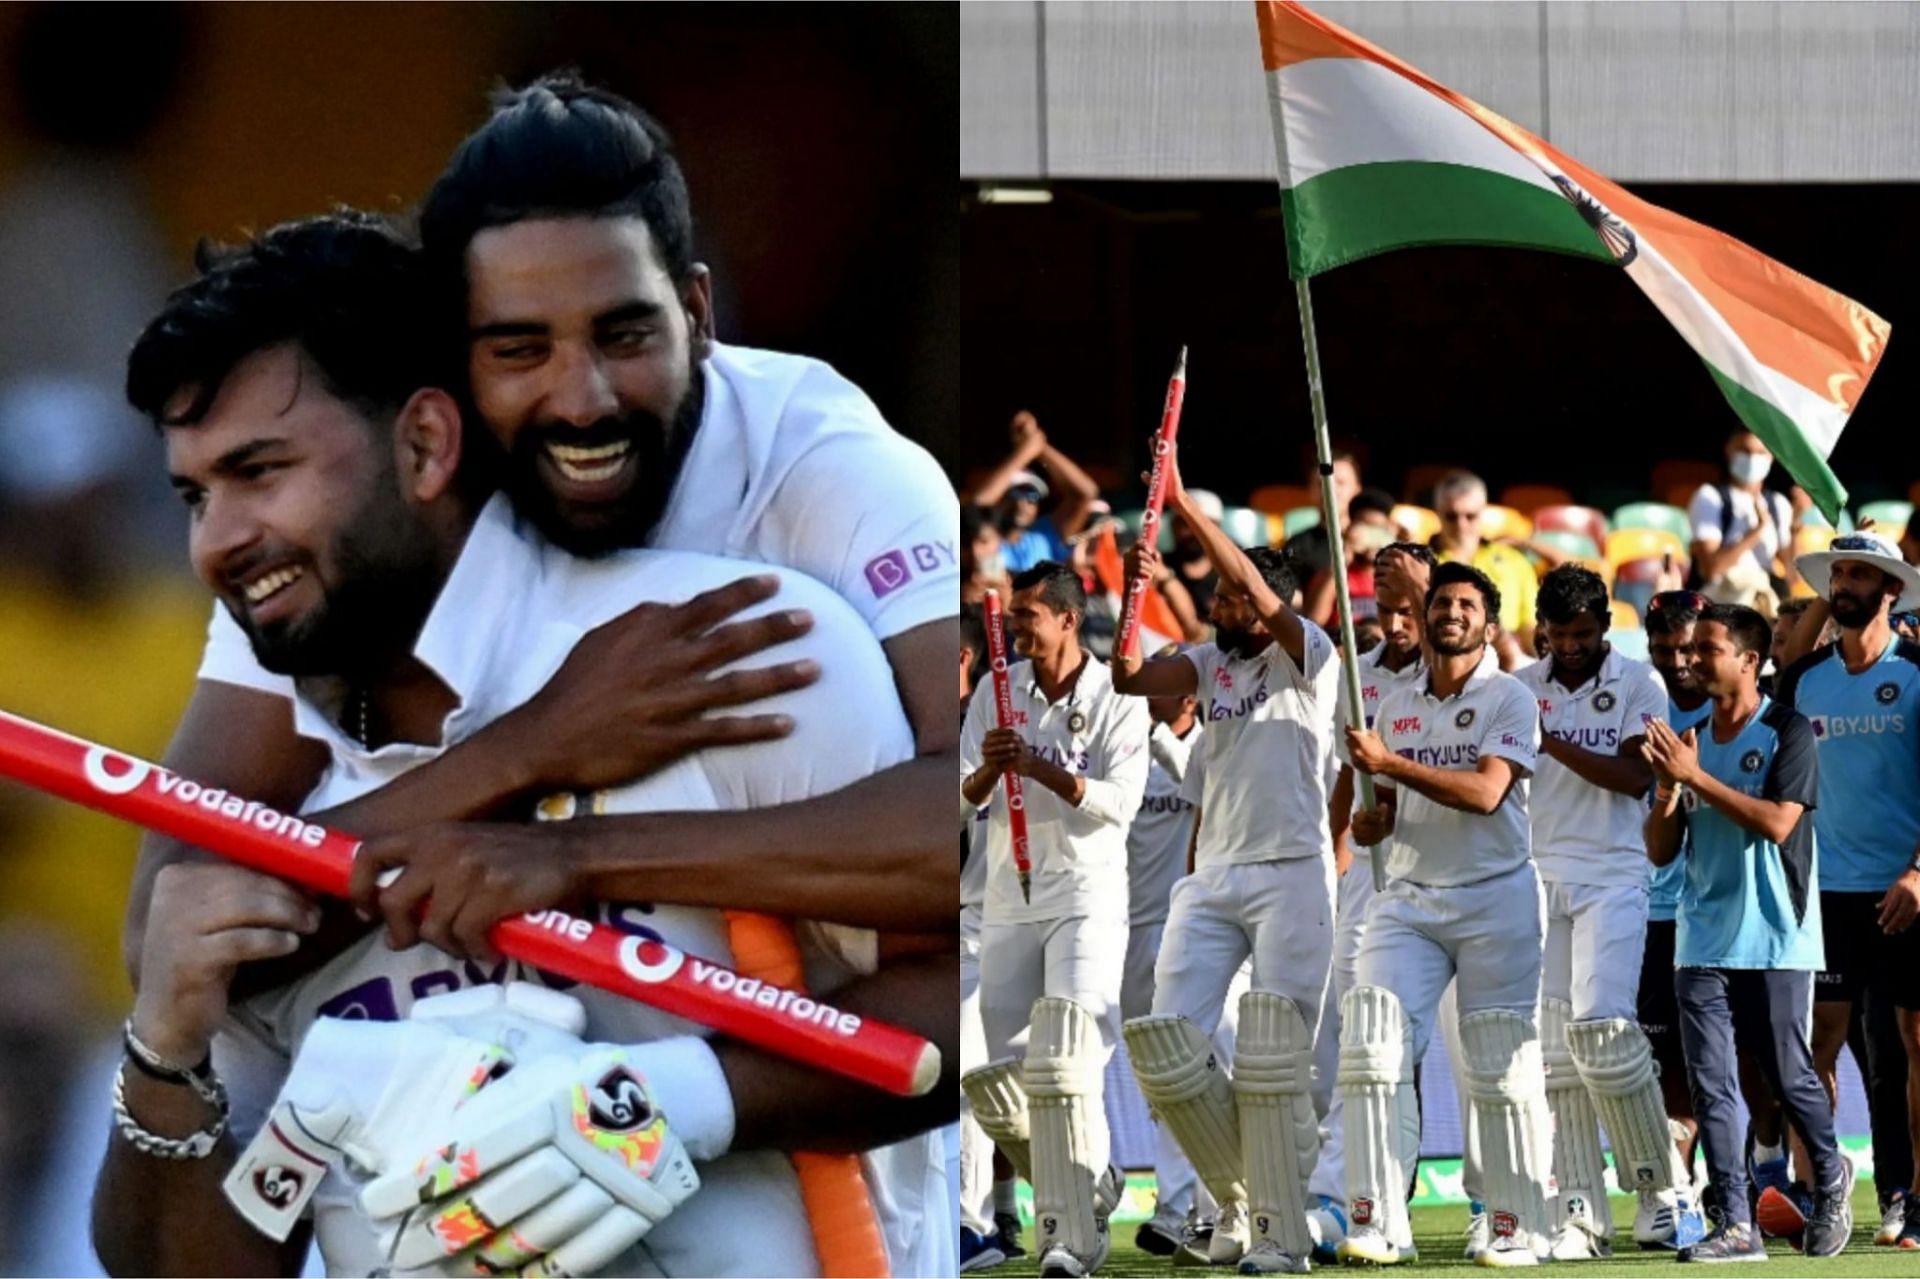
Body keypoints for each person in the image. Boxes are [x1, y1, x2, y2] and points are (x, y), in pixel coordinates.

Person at [94, 216, 955, 1277]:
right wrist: (163, 1048)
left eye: (260, 471)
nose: (215, 541)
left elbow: (960, 1013)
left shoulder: (722, 651)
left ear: (423, 444)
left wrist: (657, 1105)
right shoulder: (252, 847)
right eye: (194, 494)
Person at [122, 73, 959, 995]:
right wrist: (529, 749)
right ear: (453, 374)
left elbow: (976, 841)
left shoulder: (826, 465)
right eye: (520, 349)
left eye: (624, 336)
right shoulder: (386, 496)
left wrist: (583, 853)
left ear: (698, 314)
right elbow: (175, 925)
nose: (582, 399)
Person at [1114, 447, 1339, 1275]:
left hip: (1292, 871)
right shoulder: (1208, 664)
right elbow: (1130, 675)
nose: (1217, 602)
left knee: (1280, 1055)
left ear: (1265, 600)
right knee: (1171, 1043)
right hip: (1210, 878)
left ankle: (1284, 1228)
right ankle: (1225, 1202)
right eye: (1213, 593)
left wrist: (1180, 501)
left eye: (1231, 591)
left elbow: (1257, 586)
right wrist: (1136, 593)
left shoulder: (1308, 656)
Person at [1340, 562, 1549, 1267]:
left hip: (1496, 898)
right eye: (1442, 603)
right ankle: (1377, 1216)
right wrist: (1375, 823)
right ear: (1423, 616)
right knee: (1373, 1047)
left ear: (1489, 623)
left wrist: (1391, 766)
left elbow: (1488, 793)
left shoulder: (1511, 698)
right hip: (1409, 900)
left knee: (1499, 1065)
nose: (1452, 612)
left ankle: (1513, 1218)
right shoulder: (1394, 702)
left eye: (1466, 603)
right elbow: (1392, 810)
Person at [1642, 604, 1851, 1262]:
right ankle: (1736, 1221)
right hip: (1701, 936)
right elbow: (1659, 850)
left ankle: (1831, 1170)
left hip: (1776, 936)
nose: (1692, 659)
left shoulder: (1788, 730)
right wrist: (1669, 793)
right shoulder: (1691, 736)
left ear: (1749, 660)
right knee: (1712, 1083)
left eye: (1707, 649)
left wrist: (1693, 775)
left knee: (1790, 1076)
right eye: (1691, 650)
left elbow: (1779, 823)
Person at [960, 560, 1148, 1278]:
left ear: (1068, 619)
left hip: (1086, 894)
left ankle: (1070, 1239)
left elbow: (1117, 804)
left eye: (1027, 618)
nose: (1012, 630)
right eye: (1009, 619)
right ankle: (1090, 1180)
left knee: (1068, 1057)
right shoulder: (993, 690)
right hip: (1010, 895)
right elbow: (961, 799)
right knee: (1004, 1076)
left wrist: (1038, 768)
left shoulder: (1117, 696)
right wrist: (987, 772)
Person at [1513, 566, 1701, 1257]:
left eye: (1582, 633)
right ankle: (1580, 1210)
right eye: (1558, 634)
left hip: (1613, 874)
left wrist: (1548, 738)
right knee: (1558, 1051)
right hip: (1537, 874)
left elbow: (1635, 777)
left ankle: (1664, 1192)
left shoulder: (1637, 684)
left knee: (1606, 1030)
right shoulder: (1521, 685)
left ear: (1603, 626)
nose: (1569, 645)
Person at [1776, 531, 1920, 1249]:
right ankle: (1823, 1188)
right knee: (1816, 1046)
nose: (1845, 584)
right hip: (1823, 893)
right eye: (1839, 573)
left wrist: (1919, 871)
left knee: (1910, 1043)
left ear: (1890, 589)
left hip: (1905, 891)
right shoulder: (1804, 680)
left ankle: (1912, 1195)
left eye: (1861, 573)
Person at [1303, 542, 1434, 1261]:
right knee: (1367, 1038)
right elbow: (1346, 783)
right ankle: (1349, 1194)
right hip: (1372, 873)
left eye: (1407, 604)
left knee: (1482, 1059)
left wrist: (1426, 585)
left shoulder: (1458, 666)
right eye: (1382, 607)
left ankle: (1496, 1200)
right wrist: (1338, 858)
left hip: (1459, 876)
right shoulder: (1359, 673)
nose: (1395, 619)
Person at [1119, 646, 1203, 1257]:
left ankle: (1183, 1209)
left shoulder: (1210, 744)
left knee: (1187, 1069)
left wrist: (1151, 735)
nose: (1149, 687)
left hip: (1191, 930)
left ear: (1190, 696)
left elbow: (1198, 784)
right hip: (1124, 932)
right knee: (1153, 1082)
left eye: (1163, 681)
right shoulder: (1123, 747)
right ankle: (1190, 1205)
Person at [1640, 592, 1714, 1192]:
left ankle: (1754, 1169)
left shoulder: (1740, 705)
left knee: (1737, 1057)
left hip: (1724, 908)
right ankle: (1677, 1182)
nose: (1678, 661)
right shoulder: (1642, 706)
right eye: (1665, 650)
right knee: (1664, 1053)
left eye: (1688, 648)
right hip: (1655, 903)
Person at [966, 410, 1102, 575]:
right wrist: (1027, 450)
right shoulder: (985, 540)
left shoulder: (1046, 535)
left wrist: (1040, 446)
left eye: (1031, 495)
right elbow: (978, 506)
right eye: (1014, 493)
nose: (1022, 503)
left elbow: (1086, 492)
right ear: (999, 499)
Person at [1429, 471, 1535, 669]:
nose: (1461, 525)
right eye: (1451, 516)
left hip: (1508, 659)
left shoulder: (1514, 561)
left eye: (1470, 516)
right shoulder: (1422, 564)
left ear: (1483, 513)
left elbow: (1529, 627)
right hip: (1444, 658)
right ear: (1437, 513)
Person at [1685, 429, 1794, 606]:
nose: (1752, 459)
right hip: (1722, 600)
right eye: (1745, 451)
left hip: (1764, 600)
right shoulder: (1710, 497)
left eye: (1760, 453)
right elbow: (1712, 570)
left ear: (1772, 457)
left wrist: (1795, 525)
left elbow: (1791, 576)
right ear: (1729, 451)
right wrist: (1757, 531)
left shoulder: (1778, 503)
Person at [1300, 487, 1396, 629]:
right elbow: (1314, 622)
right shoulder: (1330, 575)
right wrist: (1340, 564)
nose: (1371, 538)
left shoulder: (1394, 578)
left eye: (1378, 530)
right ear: (1350, 529)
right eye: (1365, 528)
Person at [1280, 443, 1363, 581]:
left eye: (1341, 482)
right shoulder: (1297, 546)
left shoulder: (1376, 541)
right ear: (1310, 491)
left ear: (1357, 490)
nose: (1331, 490)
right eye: (1321, 483)